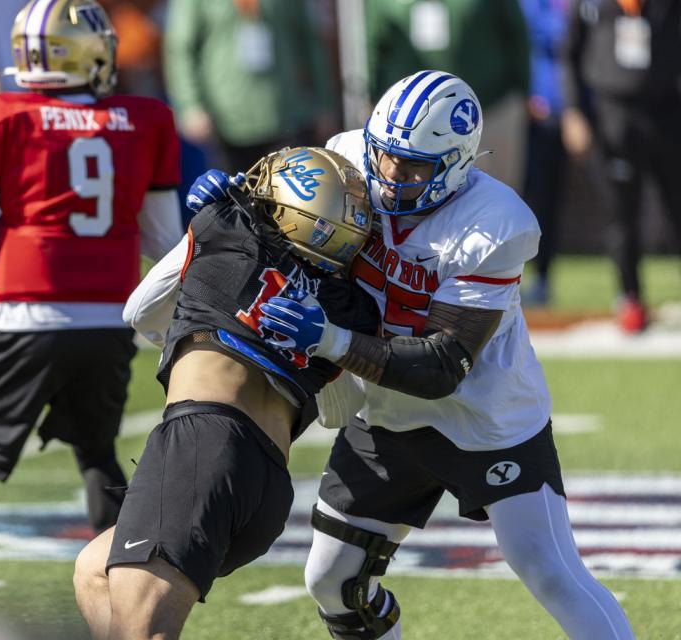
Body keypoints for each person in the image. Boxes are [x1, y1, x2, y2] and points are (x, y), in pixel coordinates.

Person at [195, 71, 635, 639]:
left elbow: (443, 365)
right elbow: (286, 220)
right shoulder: (349, 159)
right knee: (332, 580)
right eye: (384, 157)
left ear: (457, 163)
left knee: (549, 570)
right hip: (384, 413)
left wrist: (329, 339)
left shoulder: (495, 224)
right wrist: (233, 208)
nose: (389, 176)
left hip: (485, 418)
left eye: (412, 167)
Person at [0, 0, 183, 616]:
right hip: (111, 323)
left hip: (24, 320)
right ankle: (124, 605)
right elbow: (166, 243)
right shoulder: (145, 119)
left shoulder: (3, 115)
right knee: (97, 456)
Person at [72, 146, 379, 640]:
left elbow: (140, 312)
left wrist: (198, 236)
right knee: (93, 570)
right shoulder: (347, 306)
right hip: (267, 490)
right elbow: (338, 413)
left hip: (203, 442)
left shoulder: (228, 227)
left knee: (141, 631)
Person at [563, 0, 681, 333]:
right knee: (623, 214)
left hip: (667, 113)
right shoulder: (590, 4)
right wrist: (573, 111)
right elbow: (569, 54)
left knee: (677, 207)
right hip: (615, 117)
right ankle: (630, 297)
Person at [360, 0, 530, 190]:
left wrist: (524, 92)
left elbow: (517, 35)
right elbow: (374, 45)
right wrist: (373, 100)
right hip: (409, 125)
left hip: (490, 108)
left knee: (497, 197)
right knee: (410, 203)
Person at [163, 0, 339, 174]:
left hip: (287, 119)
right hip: (226, 125)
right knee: (235, 199)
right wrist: (190, 105)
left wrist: (325, 103)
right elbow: (180, 48)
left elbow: (311, 42)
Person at [518, 0, 570, 307]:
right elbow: (548, 33)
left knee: (551, 199)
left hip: (577, 111)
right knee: (530, 197)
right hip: (537, 112)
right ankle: (521, 276)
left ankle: (544, 277)